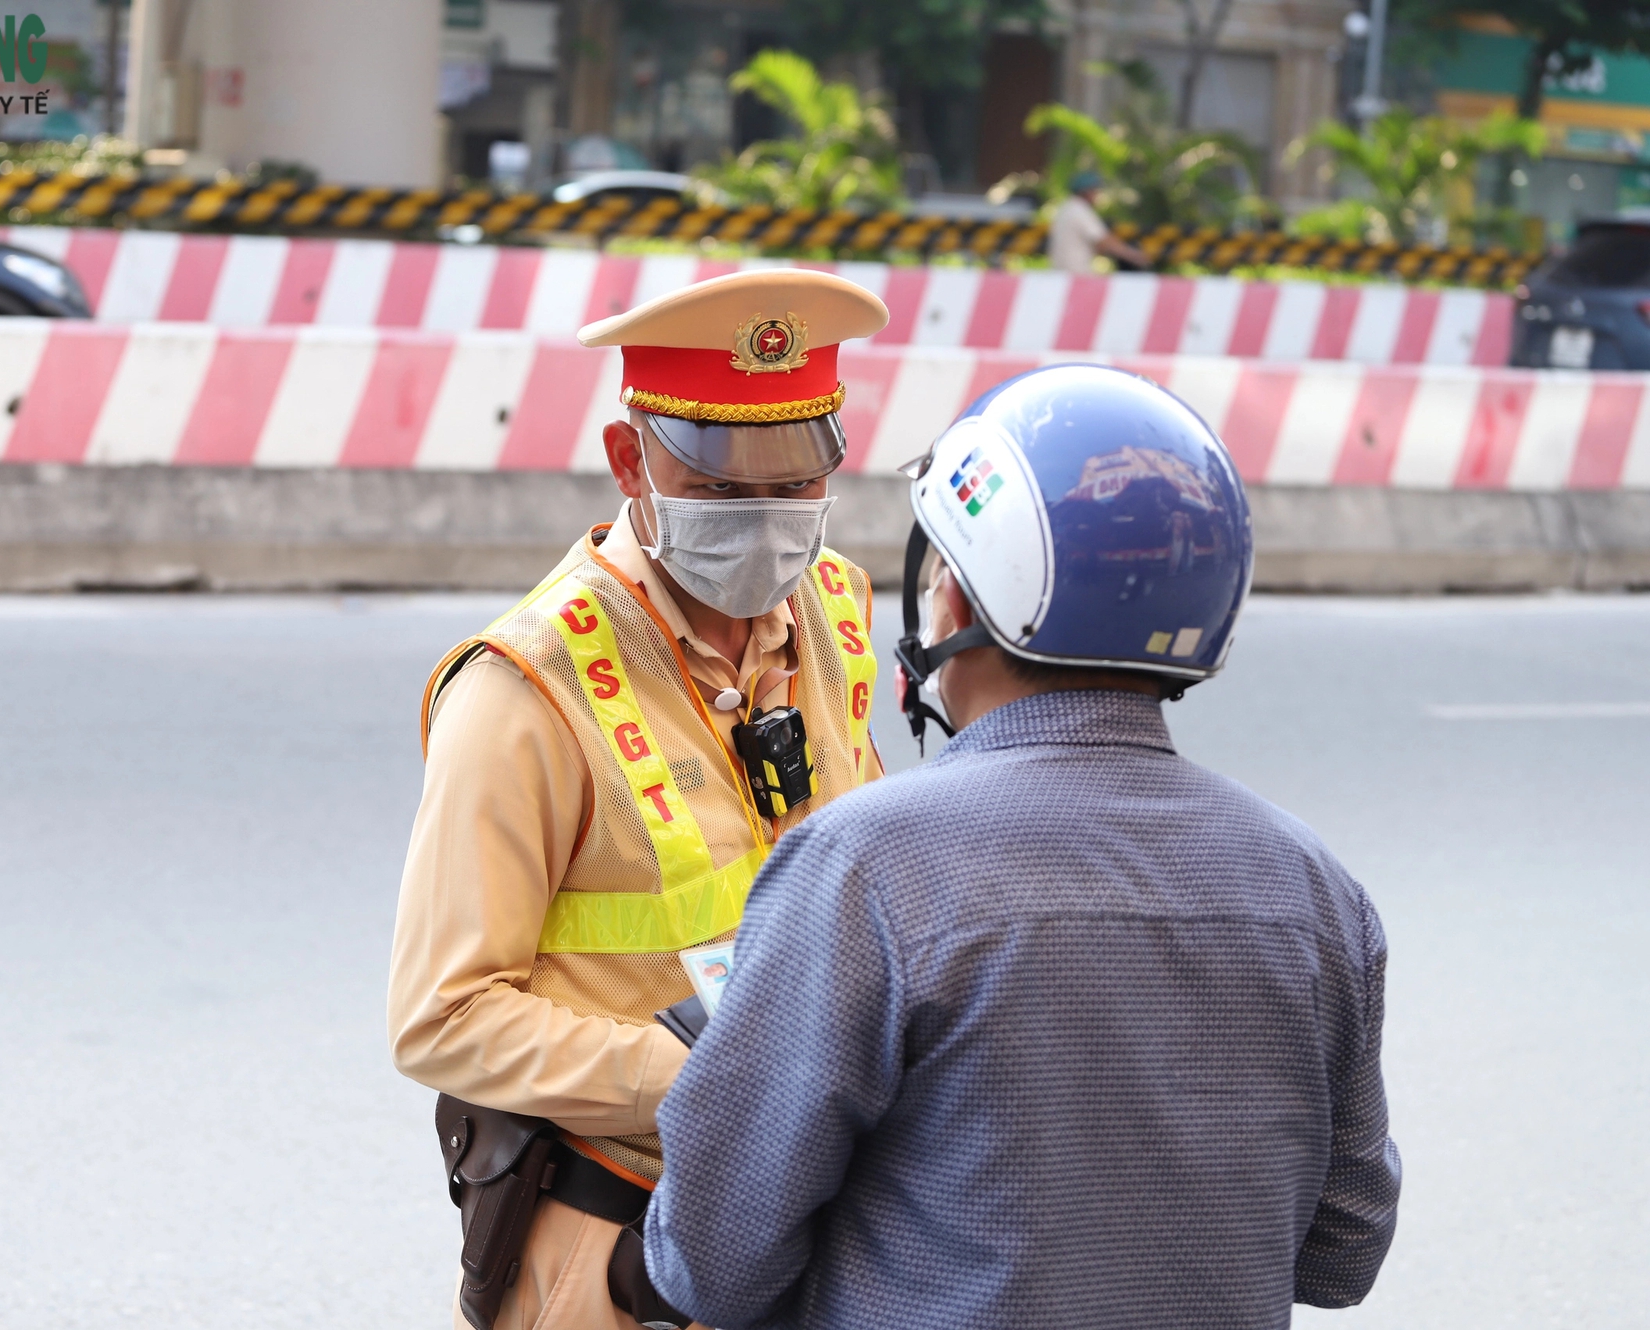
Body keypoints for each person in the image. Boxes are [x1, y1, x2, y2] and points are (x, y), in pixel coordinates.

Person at [643, 364, 1402, 1330]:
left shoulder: (864, 868)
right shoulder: (1316, 891)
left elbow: (709, 1260)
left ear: (954, 602)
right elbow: (1343, 1250)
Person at [389, 268, 892, 1330]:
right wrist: (705, 1077)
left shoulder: (833, 611)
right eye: (720, 490)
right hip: (620, 1240)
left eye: (792, 484)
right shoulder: (523, 687)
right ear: (631, 461)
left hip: (817, 1219)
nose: (765, 524)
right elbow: (441, 1017)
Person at [1049, 168, 1151, 274]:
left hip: (1061, 273)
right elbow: (1104, 240)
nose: (1097, 195)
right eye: (1095, 190)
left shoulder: (1067, 208)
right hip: (1076, 273)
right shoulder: (1080, 210)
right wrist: (1134, 256)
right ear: (1087, 191)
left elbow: (1098, 245)